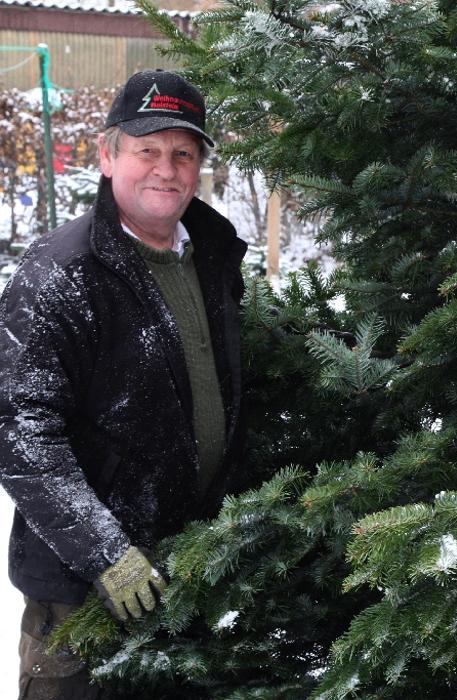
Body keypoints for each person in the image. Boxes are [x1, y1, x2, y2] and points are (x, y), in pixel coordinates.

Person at [0, 69, 247, 699]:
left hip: (186, 567)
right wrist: (103, 550)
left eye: (183, 153)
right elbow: (21, 429)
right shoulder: (60, 273)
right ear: (109, 156)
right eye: (147, 150)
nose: (166, 169)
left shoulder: (212, 255)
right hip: (81, 593)